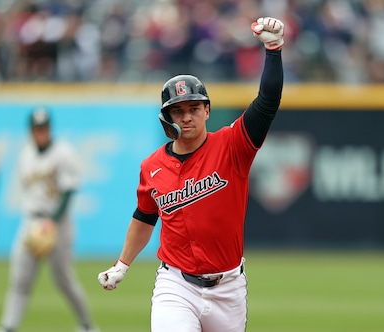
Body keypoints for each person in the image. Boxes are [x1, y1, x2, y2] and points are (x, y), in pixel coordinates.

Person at [97, 17, 285, 331]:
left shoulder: (233, 145)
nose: (187, 117)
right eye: (178, 111)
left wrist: (273, 49)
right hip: (176, 285)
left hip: (229, 288)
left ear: (207, 111)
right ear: (166, 117)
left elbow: (267, 102)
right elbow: (145, 217)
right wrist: (122, 264)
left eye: (194, 108)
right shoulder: (151, 167)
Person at [0, 108, 98, 332]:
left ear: (49, 129)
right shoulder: (25, 154)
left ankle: (88, 326)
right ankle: (8, 326)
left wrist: (53, 220)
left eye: (44, 128)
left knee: (64, 280)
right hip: (31, 221)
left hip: (58, 224)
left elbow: (69, 190)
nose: (40, 132)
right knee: (20, 279)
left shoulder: (64, 153)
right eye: (36, 129)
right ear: (31, 131)